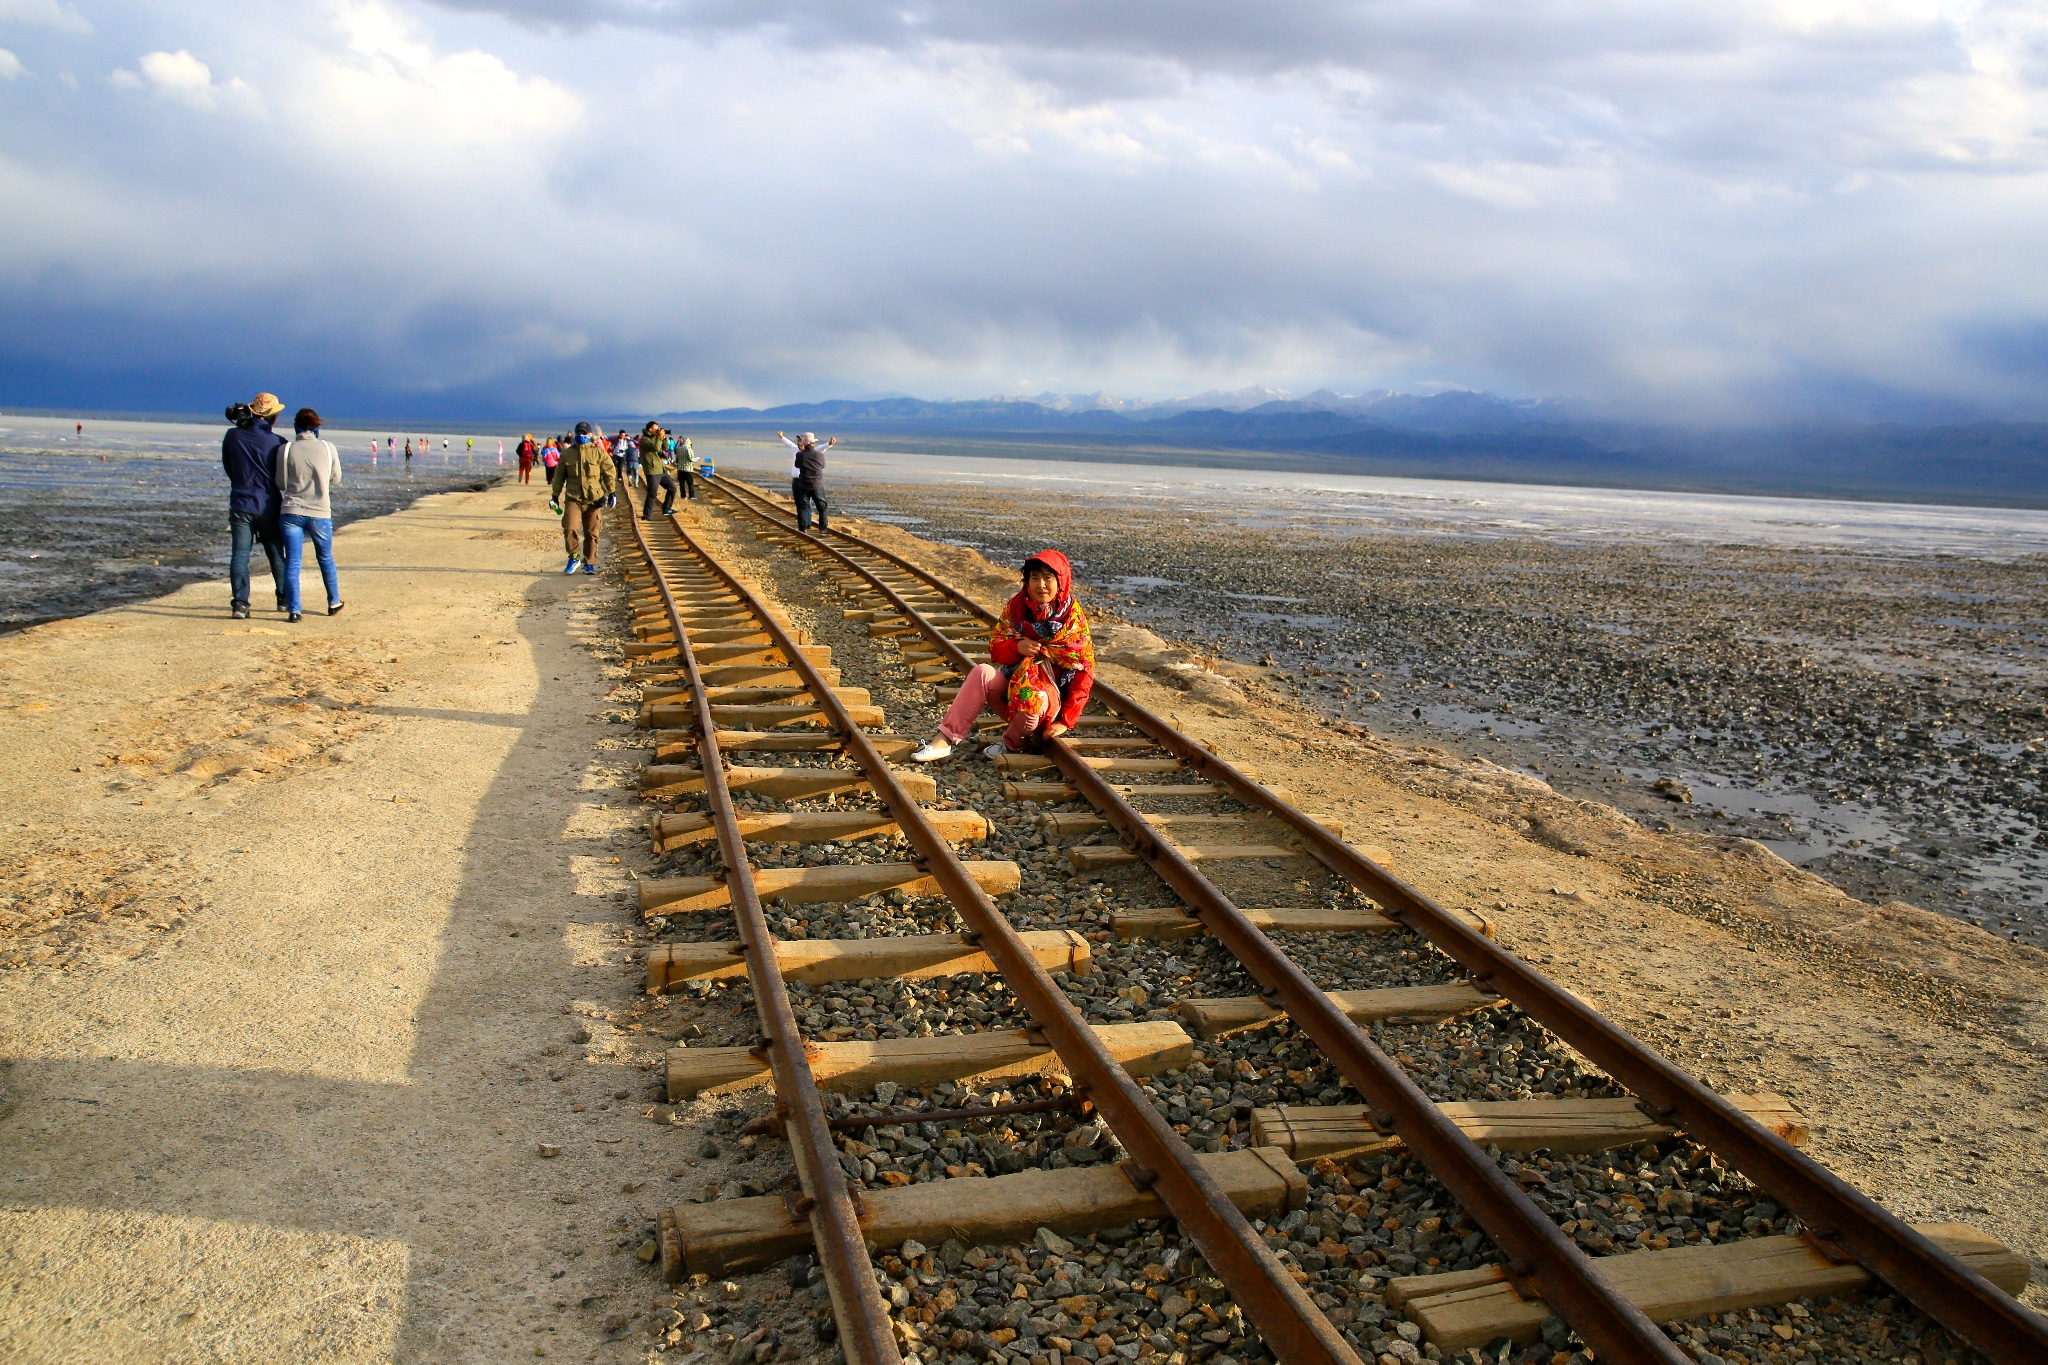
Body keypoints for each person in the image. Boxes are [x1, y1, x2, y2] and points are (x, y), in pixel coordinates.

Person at [912, 550, 1095, 762]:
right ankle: (943, 741)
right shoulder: (1017, 607)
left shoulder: (1073, 620)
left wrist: (1065, 721)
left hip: (1048, 701)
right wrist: (1017, 647)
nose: (1041, 585)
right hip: (1014, 690)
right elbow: (996, 649)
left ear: (1061, 581)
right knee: (982, 672)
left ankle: (1011, 744)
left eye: (1048, 578)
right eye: (1034, 578)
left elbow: (1084, 672)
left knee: (1032, 695)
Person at [220, 392, 290, 619]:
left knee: (240, 555)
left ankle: (240, 603)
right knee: (275, 553)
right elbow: (283, 477)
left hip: (241, 501)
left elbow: (229, 468)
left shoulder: (232, 437)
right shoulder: (279, 442)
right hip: (268, 503)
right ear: (274, 417)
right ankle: (283, 598)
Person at [275, 407, 344, 622]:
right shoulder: (328, 447)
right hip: (320, 512)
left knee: (293, 562)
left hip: (292, 510)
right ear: (317, 427)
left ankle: (294, 609)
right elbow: (336, 479)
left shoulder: (286, 449)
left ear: (296, 426)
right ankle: (333, 601)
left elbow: (281, 483)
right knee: (325, 558)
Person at [550, 420, 617, 574]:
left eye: (584, 433)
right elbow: (559, 477)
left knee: (592, 532)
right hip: (573, 497)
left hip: (594, 498)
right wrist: (554, 496)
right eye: (579, 433)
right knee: (569, 527)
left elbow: (609, 472)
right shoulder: (567, 454)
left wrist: (612, 491)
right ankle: (574, 557)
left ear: (589, 434)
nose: (582, 436)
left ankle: (590, 563)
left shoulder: (598, 452)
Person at [779, 429, 835, 533]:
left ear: (804, 443)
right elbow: (823, 466)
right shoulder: (819, 454)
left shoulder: (800, 455)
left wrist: (829, 444)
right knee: (822, 508)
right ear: (813, 442)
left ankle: (803, 528)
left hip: (803, 484)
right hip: (817, 485)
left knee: (802, 507)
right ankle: (823, 529)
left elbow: (797, 465)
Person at [640, 422, 678, 519]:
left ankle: (666, 508)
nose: (658, 431)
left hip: (661, 469)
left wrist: (663, 437)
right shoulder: (644, 439)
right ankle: (646, 515)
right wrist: (659, 437)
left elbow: (665, 447)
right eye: (656, 429)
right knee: (652, 492)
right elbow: (656, 447)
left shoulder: (656, 438)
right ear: (650, 429)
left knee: (672, 488)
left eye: (658, 429)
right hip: (652, 470)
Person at [678, 434, 701, 500]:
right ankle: (692, 496)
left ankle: (683, 495)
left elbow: (678, 457)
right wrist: (697, 458)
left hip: (680, 468)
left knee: (681, 483)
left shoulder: (679, 448)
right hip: (688, 469)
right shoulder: (689, 449)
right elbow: (691, 459)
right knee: (690, 483)